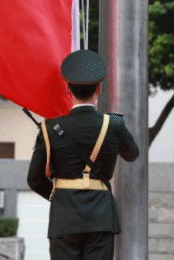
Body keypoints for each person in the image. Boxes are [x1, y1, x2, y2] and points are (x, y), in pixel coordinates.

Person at [27, 49, 140, 260]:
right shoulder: (113, 124)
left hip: (64, 215)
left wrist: (58, 196)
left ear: (68, 90)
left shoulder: (50, 127)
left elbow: (34, 179)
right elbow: (132, 154)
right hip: (101, 215)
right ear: (99, 88)